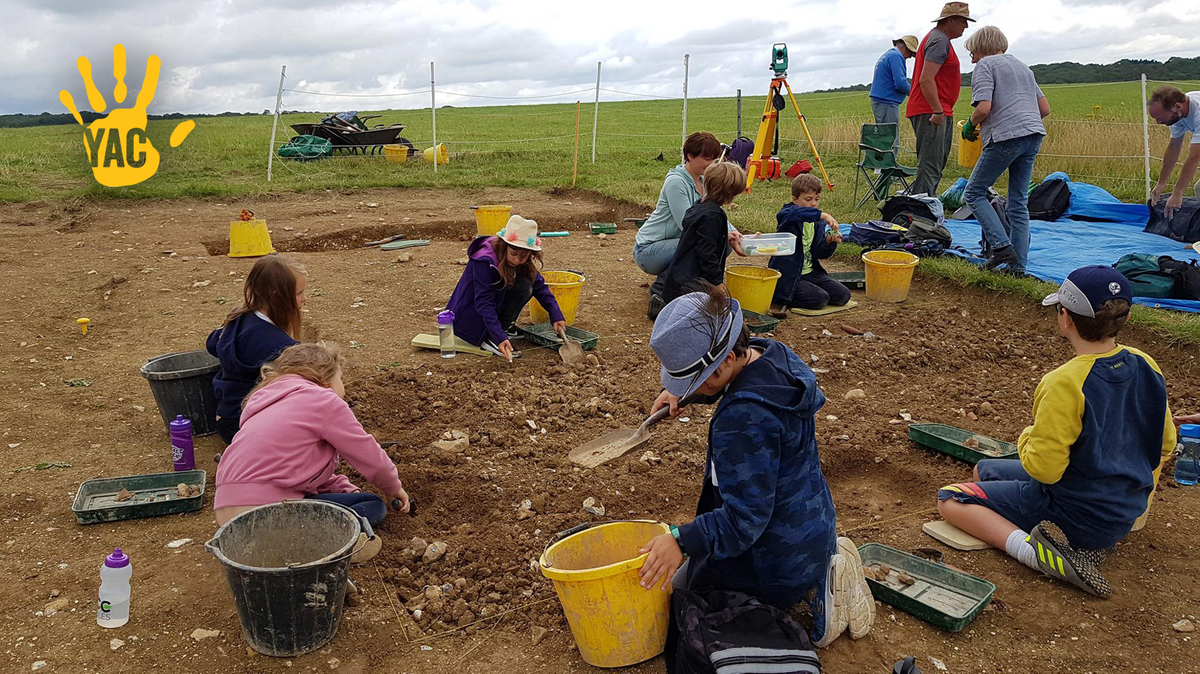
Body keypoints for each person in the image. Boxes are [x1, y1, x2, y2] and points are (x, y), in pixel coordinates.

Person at [637, 286, 873, 647]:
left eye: (697, 381)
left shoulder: (742, 420)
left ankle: (806, 593)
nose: (695, 389)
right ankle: (820, 568)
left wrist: (682, 541)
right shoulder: (773, 356)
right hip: (812, 526)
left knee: (682, 592)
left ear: (729, 357)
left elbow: (744, 522)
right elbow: (734, 382)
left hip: (776, 559)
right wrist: (685, 392)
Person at [936, 266, 1175, 597]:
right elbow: (1167, 442)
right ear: (1127, 317)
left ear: (1066, 319)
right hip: (1123, 511)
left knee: (950, 498)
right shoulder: (1146, 363)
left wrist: (1026, 437)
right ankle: (1091, 544)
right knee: (984, 470)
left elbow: (1045, 470)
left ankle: (1037, 554)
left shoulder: (1065, 381)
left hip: (1074, 513)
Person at [214, 342, 411, 562]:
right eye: (341, 377)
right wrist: (393, 488)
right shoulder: (324, 400)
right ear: (326, 377)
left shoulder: (262, 403)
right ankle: (329, 547)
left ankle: (285, 546)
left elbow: (294, 469)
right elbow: (371, 457)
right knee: (373, 505)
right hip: (268, 513)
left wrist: (345, 489)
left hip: (228, 519)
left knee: (353, 499)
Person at [959, 25, 1051, 272]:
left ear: (981, 49)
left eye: (972, 54)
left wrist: (969, 125)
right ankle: (1018, 268)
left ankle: (1001, 247)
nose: (972, 59)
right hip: (1033, 135)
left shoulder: (985, 66)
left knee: (973, 193)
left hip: (1005, 138)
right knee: (1018, 202)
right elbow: (1044, 109)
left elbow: (983, 108)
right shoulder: (1023, 67)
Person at [634, 131, 745, 318]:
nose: (711, 164)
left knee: (719, 244)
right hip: (650, 250)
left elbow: (711, 217)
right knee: (704, 245)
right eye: (706, 158)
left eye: (714, 159)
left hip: (674, 243)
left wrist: (735, 234)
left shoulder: (703, 179)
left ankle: (692, 286)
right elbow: (688, 223)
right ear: (689, 156)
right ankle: (662, 288)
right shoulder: (676, 182)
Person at [206, 255, 305, 444]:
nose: (304, 298)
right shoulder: (280, 346)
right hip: (246, 426)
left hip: (225, 415)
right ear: (277, 295)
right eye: (299, 293)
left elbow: (212, 343)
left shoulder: (239, 317)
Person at [445, 215, 567, 361]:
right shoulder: (485, 261)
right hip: (471, 315)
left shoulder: (522, 260)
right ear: (504, 245)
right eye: (513, 254)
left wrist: (555, 313)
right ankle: (490, 336)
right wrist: (498, 336)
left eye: (523, 257)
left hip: (493, 300)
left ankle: (504, 327)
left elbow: (539, 285)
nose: (517, 260)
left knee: (525, 285)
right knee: (500, 298)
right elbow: (484, 303)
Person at [906, 2, 974, 197]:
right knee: (930, 164)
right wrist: (937, 110)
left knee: (935, 162)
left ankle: (925, 205)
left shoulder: (938, 39)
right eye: (963, 21)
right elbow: (926, 79)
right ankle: (920, 212)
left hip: (936, 109)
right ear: (950, 20)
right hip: (931, 110)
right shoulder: (940, 41)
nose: (966, 27)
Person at [659, 162, 746, 308]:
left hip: (681, 279)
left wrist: (723, 236)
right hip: (692, 286)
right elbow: (706, 253)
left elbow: (701, 238)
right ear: (730, 193)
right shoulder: (712, 216)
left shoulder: (699, 206)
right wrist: (716, 282)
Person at [768, 174, 848, 315]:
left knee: (843, 295)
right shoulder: (787, 214)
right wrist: (823, 215)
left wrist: (830, 241)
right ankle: (778, 294)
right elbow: (793, 213)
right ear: (795, 200)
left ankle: (804, 291)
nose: (814, 204)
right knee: (820, 299)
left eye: (817, 199)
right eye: (808, 199)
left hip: (810, 272)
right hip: (789, 274)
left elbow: (819, 252)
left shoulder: (817, 222)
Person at [1147, 86, 1200, 219]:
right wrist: (1161, 183)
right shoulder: (1179, 111)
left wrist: (1178, 193)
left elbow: (1195, 157)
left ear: (1177, 106)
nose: (1158, 122)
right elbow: (1174, 147)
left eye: (1160, 117)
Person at [869, 35, 919, 124]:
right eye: (911, 53)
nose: (911, 56)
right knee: (891, 136)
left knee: (884, 135)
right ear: (906, 48)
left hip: (881, 101)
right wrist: (916, 94)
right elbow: (900, 83)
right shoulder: (896, 56)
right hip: (887, 103)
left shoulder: (889, 54)